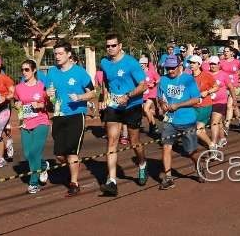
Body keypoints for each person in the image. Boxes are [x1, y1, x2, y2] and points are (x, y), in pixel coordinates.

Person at [99, 33, 148, 196]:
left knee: (134, 141)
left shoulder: (131, 63)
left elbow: (143, 85)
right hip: (114, 106)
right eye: (108, 46)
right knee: (112, 141)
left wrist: (127, 96)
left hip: (132, 104)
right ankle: (111, 181)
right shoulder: (104, 62)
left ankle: (142, 164)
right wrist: (105, 96)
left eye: (113, 45)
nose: (110, 48)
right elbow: (106, 81)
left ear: (120, 46)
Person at [44, 41, 95, 197]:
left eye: (60, 54)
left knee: (72, 150)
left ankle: (74, 183)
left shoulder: (79, 72)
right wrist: (49, 93)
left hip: (76, 115)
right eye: (55, 54)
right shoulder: (52, 72)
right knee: (60, 154)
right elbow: (48, 91)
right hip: (59, 115)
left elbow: (92, 93)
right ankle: (73, 166)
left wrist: (79, 97)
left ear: (68, 54)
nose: (57, 57)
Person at [157, 55, 204, 189]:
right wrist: (162, 104)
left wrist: (178, 105)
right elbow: (159, 97)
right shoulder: (163, 80)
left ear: (179, 66)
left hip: (187, 120)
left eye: (173, 68)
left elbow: (196, 99)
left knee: (190, 152)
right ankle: (168, 178)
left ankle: (198, 165)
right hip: (169, 120)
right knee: (166, 147)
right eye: (168, 68)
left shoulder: (188, 79)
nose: (170, 71)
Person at [14, 60, 51, 194]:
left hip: (41, 121)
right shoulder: (19, 88)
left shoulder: (42, 86)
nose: (24, 72)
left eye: (27, 70)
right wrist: (17, 104)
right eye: (22, 70)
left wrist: (41, 105)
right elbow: (17, 101)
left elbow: (50, 105)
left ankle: (34, 183)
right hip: (26, 123)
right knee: (27, 154)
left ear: (34, 70)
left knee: (35, 152)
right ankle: (43, 165)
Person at [189, 55, 218, 150]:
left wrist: (208, 92)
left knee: (197, 130)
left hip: (204, 106)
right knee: (198, 129)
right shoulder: (188, 78)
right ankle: (208, 145)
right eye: (190, 63)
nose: (191, 64)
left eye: (193, 63)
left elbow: (216, 87)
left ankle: (212, 146)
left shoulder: (206, 75)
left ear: (199, 64)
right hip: (193, 106)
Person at [220, 46, 240, 132]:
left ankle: (226, 126)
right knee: (234, 105)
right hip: (225, 86)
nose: (225, 53)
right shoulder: (222, 62)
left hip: (235, 86)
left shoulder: (237, 62)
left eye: (227, 51)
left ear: (232, 53)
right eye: (224, 51)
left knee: (229, 105)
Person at [207, 56, 231, 148]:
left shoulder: (223, 75)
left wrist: (234, 99)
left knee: (214, 122)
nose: (212, 66)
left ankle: (213, 143)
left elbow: (231, 87)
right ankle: (222, 138)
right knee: (219, 122)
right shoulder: (207, 74)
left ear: (218, 64)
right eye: (211, 64)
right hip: (209, 102)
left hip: (221, 102)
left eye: (214, 64)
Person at [140, 57, 161, 137]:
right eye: (140, 64)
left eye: (141, 64)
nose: (140, 65)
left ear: (145, 64)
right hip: (143, 94)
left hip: (152, 93)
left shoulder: (151, 72)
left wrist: (154, 84)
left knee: (146, 109)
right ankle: (154, 126)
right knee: (146, 110)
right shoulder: (140, 73)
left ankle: (152, 126)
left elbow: (159, 79)